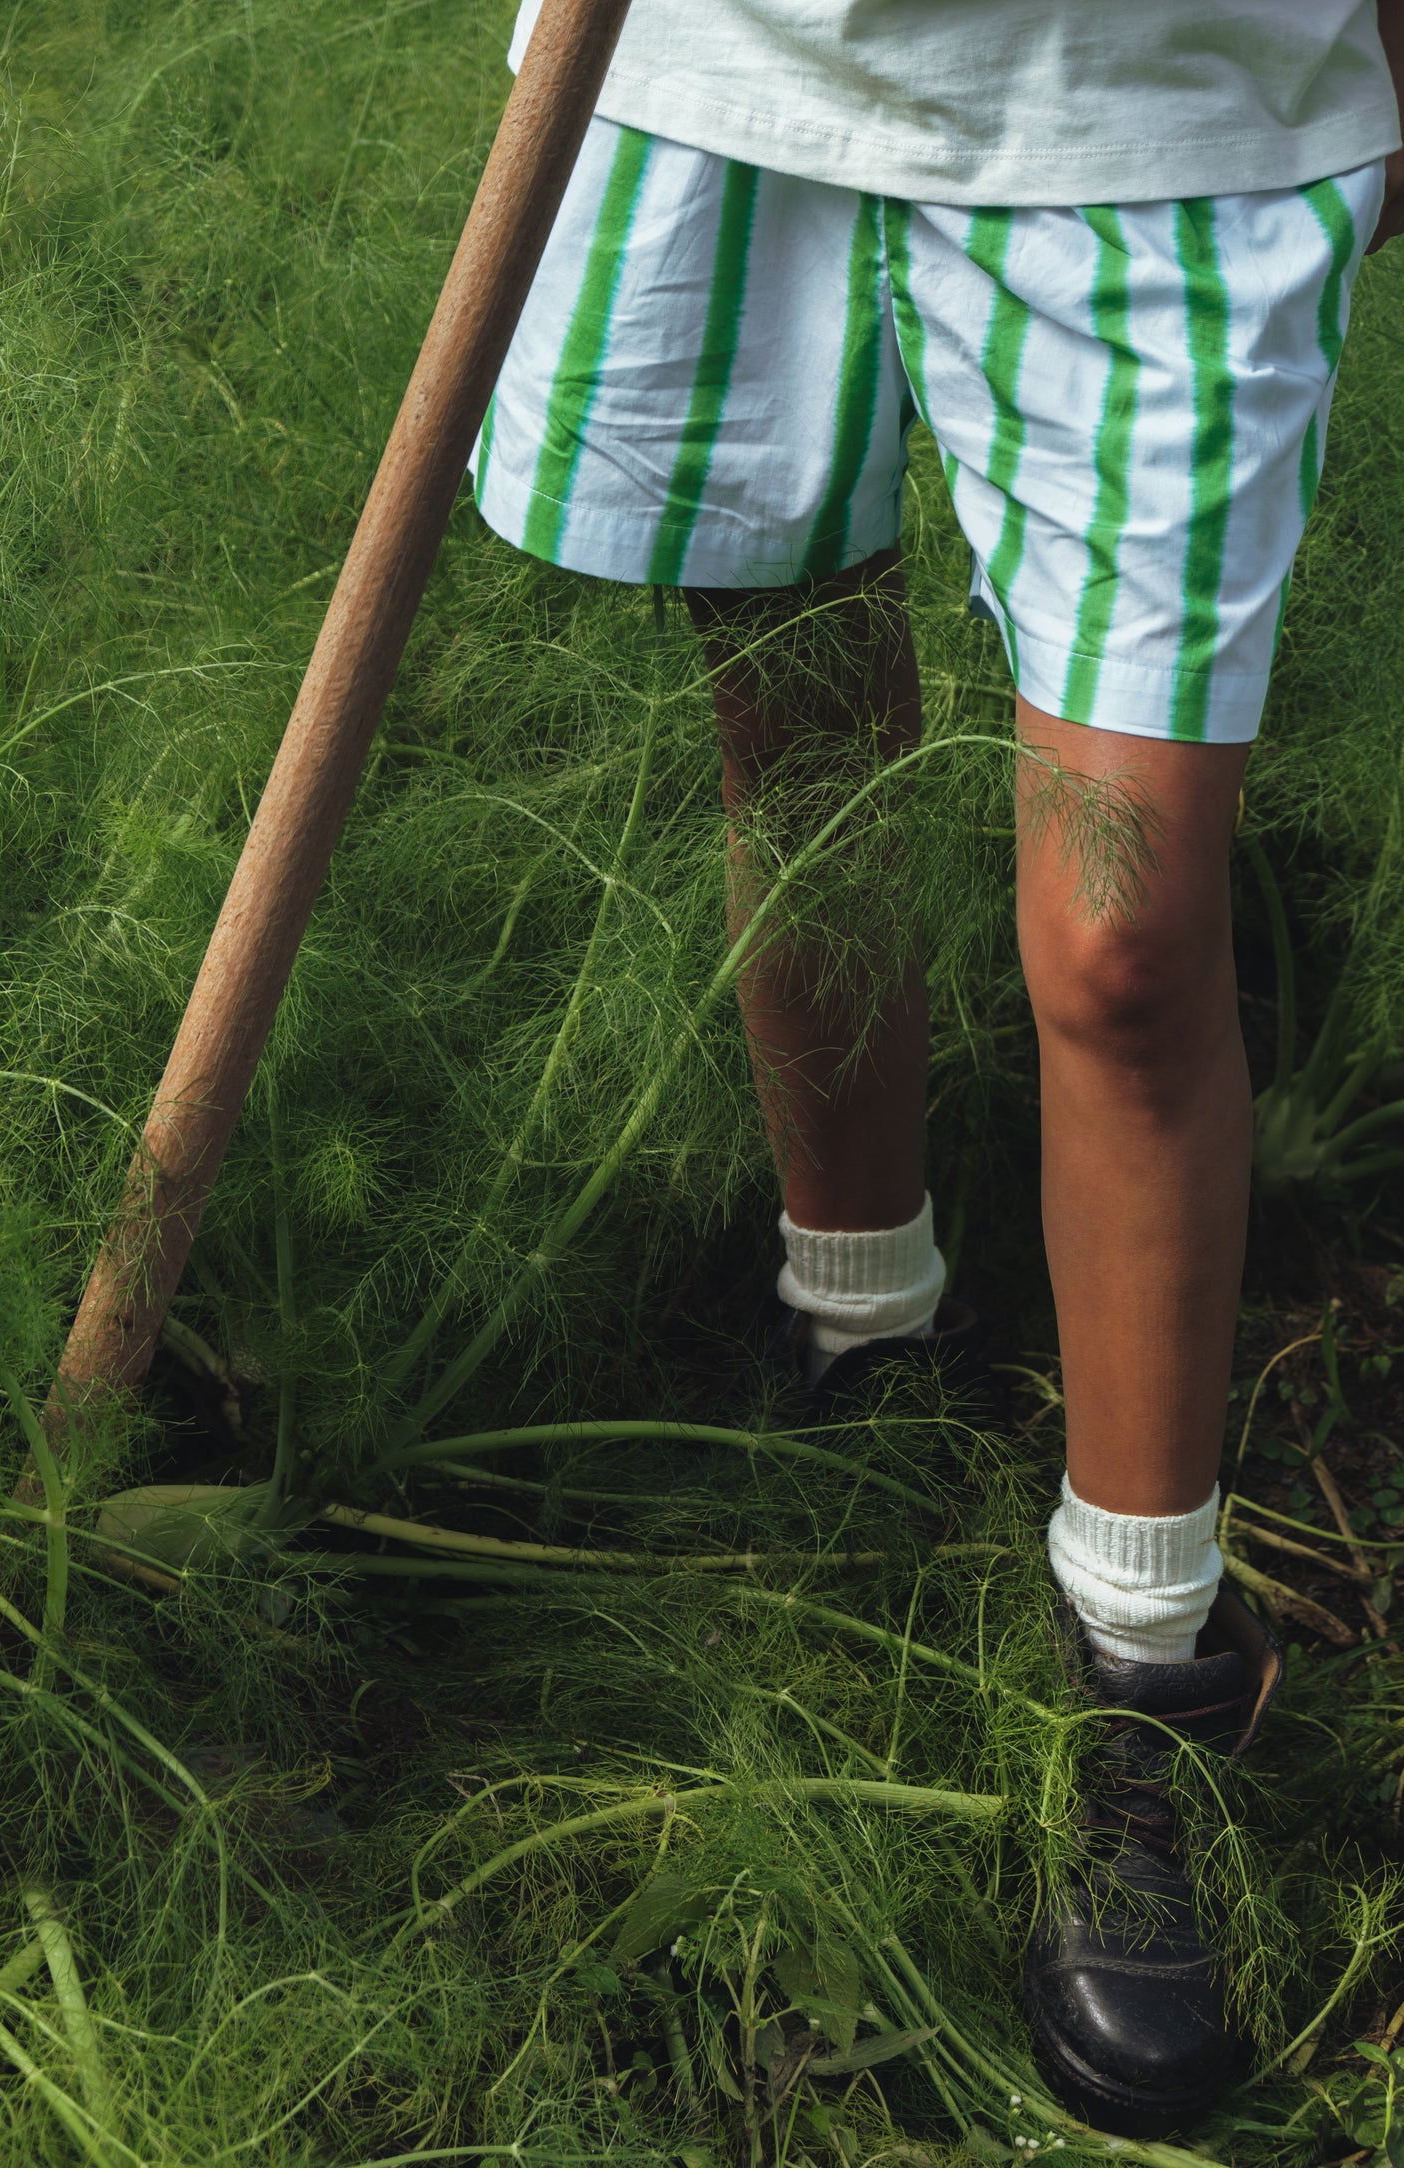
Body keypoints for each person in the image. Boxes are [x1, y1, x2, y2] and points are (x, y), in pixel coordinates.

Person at [470, 0, 1404, 2134]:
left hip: (1163, 81)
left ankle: (1148, 1659)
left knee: (1127, 932)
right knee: (792, 735)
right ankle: (856, 1303)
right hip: (734, 59)